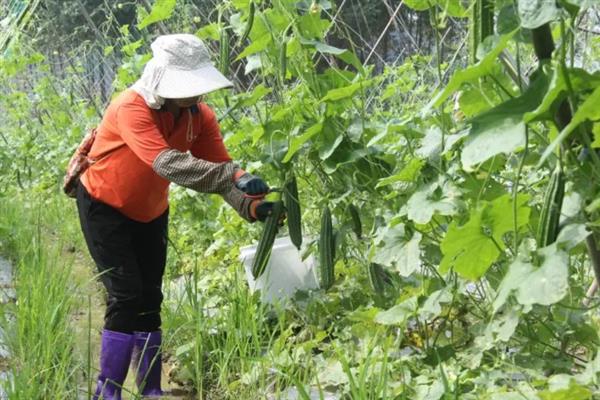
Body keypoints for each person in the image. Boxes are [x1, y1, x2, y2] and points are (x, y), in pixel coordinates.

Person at [76, 34, 276, 399]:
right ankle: (107, 392)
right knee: (125, 293)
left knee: (150, 296)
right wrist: (236, 177)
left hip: (151, 210)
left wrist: (251, 204)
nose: (195, 95)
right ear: (163, 81)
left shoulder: (198, 116)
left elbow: (218, 167)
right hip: (104, 205)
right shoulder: (130, 107)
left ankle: (151, 389)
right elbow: (170, 164)